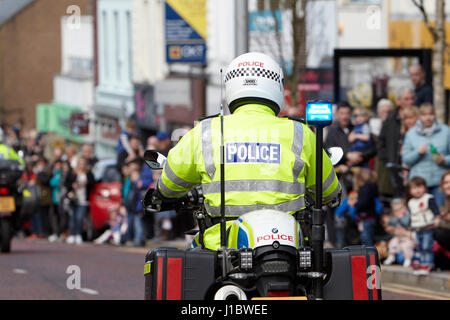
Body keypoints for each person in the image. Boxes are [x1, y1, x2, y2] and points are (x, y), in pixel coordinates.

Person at [147, 52, 341, 250]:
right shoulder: (300, 133)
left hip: (221, 249)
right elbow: (330, 191)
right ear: (278, 86)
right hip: (289, 247)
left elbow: (169, 185)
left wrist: (161, 194)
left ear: (231, 86)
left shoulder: (205, 132)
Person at [402, 103, 450, 207]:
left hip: (440, 182)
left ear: (434, 115)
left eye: (431, 114)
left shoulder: (446, 131)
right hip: (419, 184)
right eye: (424, 115)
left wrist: (444, 160)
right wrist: (418, 153)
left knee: (440, 213)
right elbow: (405, 159)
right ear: (419, 116)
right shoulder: (411, 134)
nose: (428, 118)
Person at [378, 87, 415, 197]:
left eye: (412, 99)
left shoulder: (417, 117)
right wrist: (388, 160)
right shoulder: (391, 118)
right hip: (395, 165)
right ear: (398, 101)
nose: (410, 102)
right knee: (398, 197)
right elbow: (381, 142)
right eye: (406, 99)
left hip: (413, 166)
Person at [406, 177, 440, 274]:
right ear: (410, 191)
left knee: (427, 247)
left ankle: (428, 264)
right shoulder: (411, 202)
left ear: (425, 187)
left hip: (427, 227)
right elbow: (411, 216)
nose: (417, 190)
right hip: (417, 228)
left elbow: (435, 210)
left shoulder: (428, 198)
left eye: (419, 187)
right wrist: (409, 229)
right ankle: (422, 264)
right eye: (414, 188)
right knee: (420, 247)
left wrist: (437, 218)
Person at [65, 157, 95, 245]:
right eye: (80, 163)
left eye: (83, 163)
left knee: (80, 218)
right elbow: (66, 183)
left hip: (83, 199)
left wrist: (87, 183)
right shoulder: (72, 172)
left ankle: (78, 234)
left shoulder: (88, 173)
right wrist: (72, 185)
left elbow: (93, 183)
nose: (81, 165)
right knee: (72, 217)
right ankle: (72, 234)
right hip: (73, 198)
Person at [348, 168, 379, 246]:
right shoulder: (371, 187)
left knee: (366, 238)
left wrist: (355, 205)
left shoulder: (365, 189)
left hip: (366, 217)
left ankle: (369, 255)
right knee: (367, 237)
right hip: (370, 217)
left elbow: (363, 202)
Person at [382, 198, 415, 267]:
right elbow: (391, 222)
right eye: (395, 210)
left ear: (405, 208)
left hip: (408, 238)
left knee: (406, 246)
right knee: (392, 243)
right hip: (398, 238)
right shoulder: (396, 217)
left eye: (400, 209)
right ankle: (391, 256)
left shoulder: (407, 215)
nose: (398, 212)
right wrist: (388, 221)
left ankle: (408, 259)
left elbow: (406, 222)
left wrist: (400, 217)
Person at [433, 171, 450, 270]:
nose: (448, 185)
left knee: (439, 233)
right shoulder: (445, 200)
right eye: (446, 182)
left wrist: (440, 222)